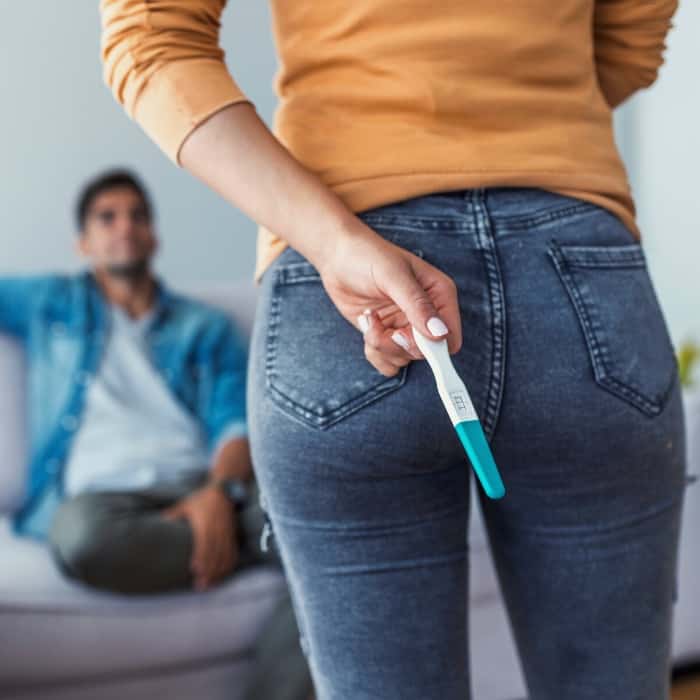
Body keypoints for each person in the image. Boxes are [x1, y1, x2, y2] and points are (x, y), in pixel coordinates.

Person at [98, 1, 689, 698]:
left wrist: (333, 243)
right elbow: (630, 46)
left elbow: (150, 38)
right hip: (580, 281)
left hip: (342, 287)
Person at [0, 168, 313, 700]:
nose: (125, 226)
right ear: (84, 241)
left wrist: (217, 496)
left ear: (153, 235)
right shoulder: (50, 302)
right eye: (108, 217)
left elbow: (235, 424)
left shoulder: (203, 326)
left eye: (137, 215)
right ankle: (240, 547)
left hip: (205, 486)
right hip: (101, 504)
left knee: (319, 536)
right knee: (80, 541)